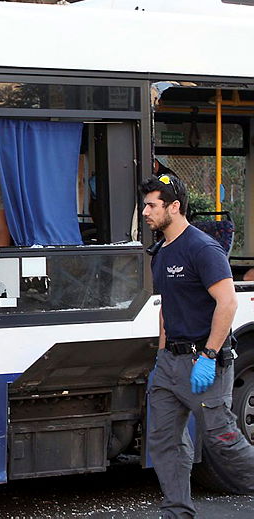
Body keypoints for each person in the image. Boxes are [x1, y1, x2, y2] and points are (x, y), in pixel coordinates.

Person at [141, 174, 254, 518]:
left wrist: (207, 355)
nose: (145, 211)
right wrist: (161, 355)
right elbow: (167, 307)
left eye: (151, 205)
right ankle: (178, 511)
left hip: (203, 364)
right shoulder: (161, 252)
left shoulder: (202, 247)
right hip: (170, 365)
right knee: (164, 442)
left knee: (224, 443)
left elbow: (227, 304)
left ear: (174, 207)